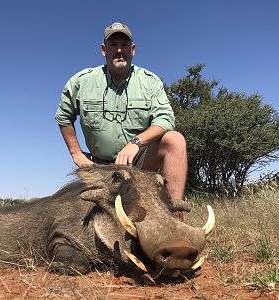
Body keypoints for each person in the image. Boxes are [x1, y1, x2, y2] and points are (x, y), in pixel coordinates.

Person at [55, 22, 188, 205]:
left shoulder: (150, 82)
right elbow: (63, 116)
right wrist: (76, 153)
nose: (119, 50)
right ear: (104, 50)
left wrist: (135, 143)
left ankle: (176, 216)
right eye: (113, 45)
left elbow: (165, 119)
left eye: (124, 45)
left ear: (133, 50)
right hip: (99, 166)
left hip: (138, 162)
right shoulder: (81, 82)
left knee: (175, 140)